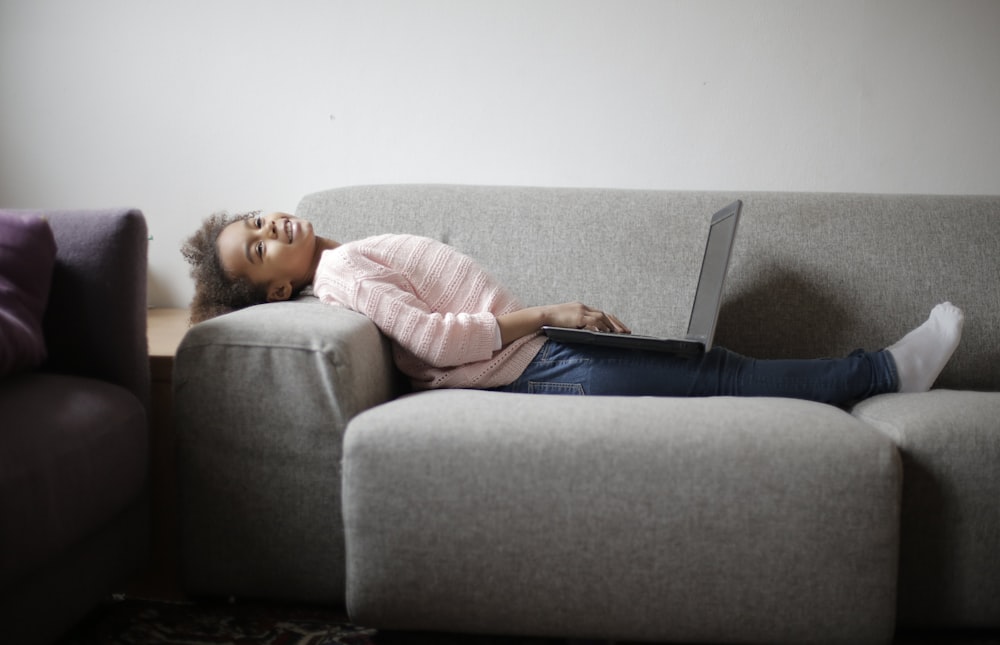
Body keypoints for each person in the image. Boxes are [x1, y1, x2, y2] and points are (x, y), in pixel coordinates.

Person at [181, 210, 965, 406]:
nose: (272, 227)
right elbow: (435, 341)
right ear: (277, 288)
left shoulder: (341, 260)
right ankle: (882, 371)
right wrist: (555, 313)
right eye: (258, 249)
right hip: (537, 362)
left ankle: (879, 370)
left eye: (260, 219)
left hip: (537, 355)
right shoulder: (342, 274)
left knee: (713, 367)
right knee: (718, 374)